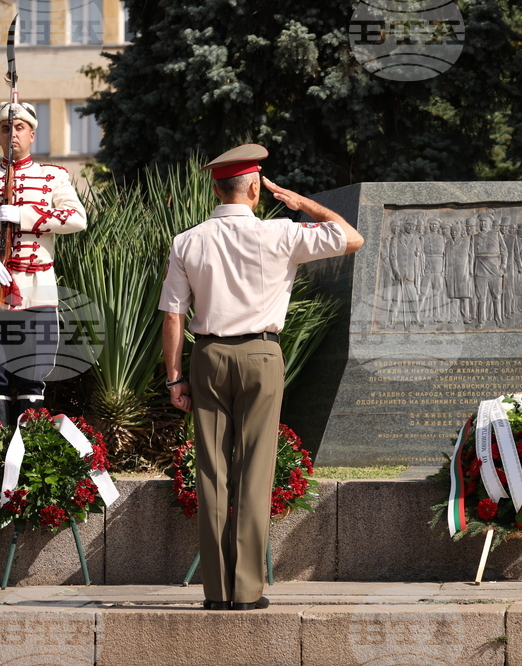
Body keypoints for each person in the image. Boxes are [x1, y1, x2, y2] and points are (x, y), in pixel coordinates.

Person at [159, 144, 363, 611]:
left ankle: (216, 592)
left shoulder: (187, 240)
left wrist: (174, 379)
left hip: (207, 356)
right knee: (254, 472)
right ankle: (247, 590)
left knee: (212, 472)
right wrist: (302, 203)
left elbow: (172, 316)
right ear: (255, 188)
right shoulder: (281, 234)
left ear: (215, 188)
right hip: (262, 355)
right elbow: (352, 238)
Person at [0, 102, 87, 425]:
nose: (11, 133)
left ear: (32, 134)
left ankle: (32, 460)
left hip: (36, 290)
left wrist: (25, 216)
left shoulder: (53, 176)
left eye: (18, 128)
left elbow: (76, 218)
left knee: (33, 374)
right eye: (4, 128)